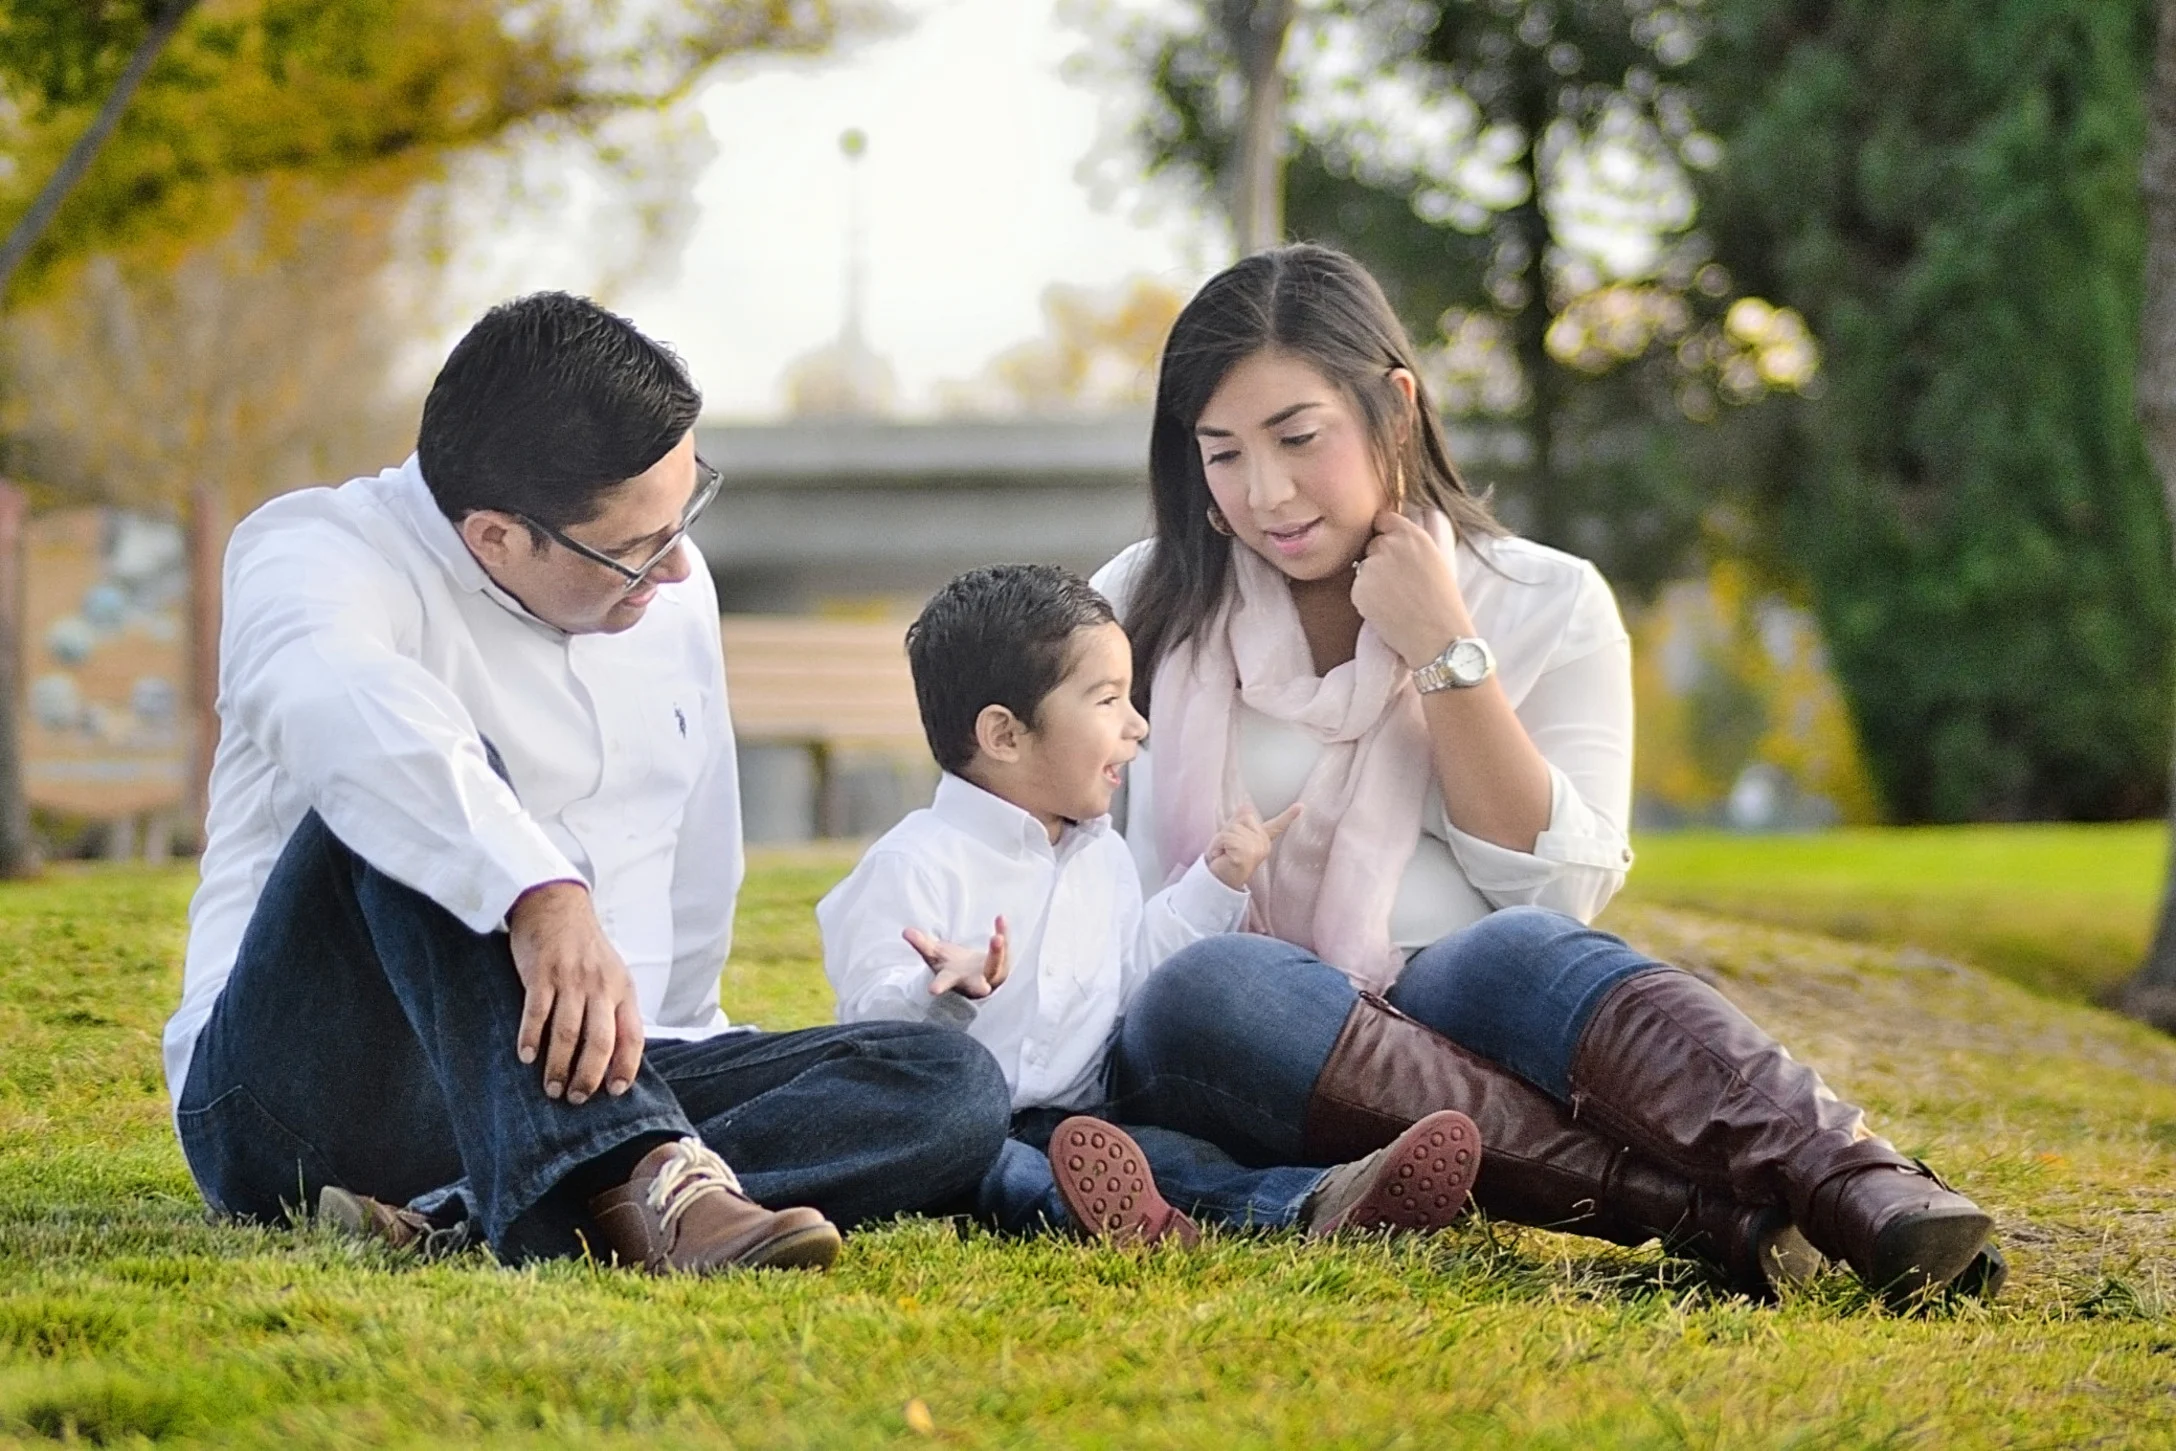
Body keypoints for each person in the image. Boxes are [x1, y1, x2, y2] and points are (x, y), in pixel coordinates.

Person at [1091, 243, 2002, 1304]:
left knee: (1510, 944)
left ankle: (1861, 1182)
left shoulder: (1545, 599)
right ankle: (1712, 1214)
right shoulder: (1144, 603)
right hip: (1216, 1042)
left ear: (1393, 406)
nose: (1269, 492)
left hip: (1461, 1018)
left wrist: (1444, 647)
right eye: (1224, 454)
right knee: (1224, 980)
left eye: (1298, 438)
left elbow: (1560, 895)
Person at [164, 292, 1012, 1274]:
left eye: (685, 512)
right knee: (420, 778)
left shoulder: (669, 596)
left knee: (949, 1082)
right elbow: (345, 706)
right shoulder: (313, 554)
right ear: (494, 536)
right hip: (306, 1097)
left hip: (595, 1070)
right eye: (638, 545)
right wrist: (539, 893)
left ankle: (464, 1209)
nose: (680, 562)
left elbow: (693, 874)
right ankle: (643, 1169)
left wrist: (695, 1046)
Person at [818, 564, 1481, 1243]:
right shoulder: (914, 861)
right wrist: (941, 991)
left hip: (1085, 1117)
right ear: (1005, 735)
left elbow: (1133, 972)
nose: (1138, 726)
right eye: (1107, 701)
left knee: (1174, 1157)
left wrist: (1215, 881)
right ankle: (1119, 1218)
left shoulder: (1098, 856)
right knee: (1005, 1169)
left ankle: (1316, 1201)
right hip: (960, 1122)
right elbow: (865, 1021)